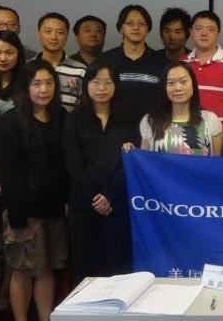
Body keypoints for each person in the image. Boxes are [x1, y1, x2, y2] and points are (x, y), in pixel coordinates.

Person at [0, 60, 69, 321]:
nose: (43, 89)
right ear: (26, 87)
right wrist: (17, 215)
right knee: (23, 270)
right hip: (24, 210)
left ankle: (45, 317)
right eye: (37, 84)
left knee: (46, 268)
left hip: (54, 209)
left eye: (49, 83)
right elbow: (8, 171)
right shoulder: (12, 120)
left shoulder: (61, 117)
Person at [64, 61, 137, 286]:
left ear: (116, 85)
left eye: (108, 82)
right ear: (87, 84)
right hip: (83, 203)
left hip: (117, 203)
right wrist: (95, 197)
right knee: (83, 267)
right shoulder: (74, 118)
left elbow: (131, 160)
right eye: (96, 82)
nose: (102, 88)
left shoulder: (128, 118)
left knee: (118, 268)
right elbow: (73, 161)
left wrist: (109, 196)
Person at [133, 61, 223, 156]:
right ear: (164, 88)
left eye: (183, 81)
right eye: (171, 83)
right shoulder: (150, 121)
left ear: (193, 83)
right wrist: (131, 152)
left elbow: (216, 163)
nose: (178, 88)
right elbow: (145, 160)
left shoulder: (210, 120)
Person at [100, 4, 168, 124]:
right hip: (114, 129)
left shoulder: (162, 62)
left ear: (148, 29)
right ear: (121, 28)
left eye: (142, 24)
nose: (136, 27)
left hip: (152, 128)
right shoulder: (106, 60)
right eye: (130, 23)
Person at [184, 10, 223, 132]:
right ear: (191, 32)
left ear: (218, 32)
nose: (204, 33)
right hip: (189, 134)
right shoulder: (182, 63)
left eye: (210, 29)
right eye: (198, 28)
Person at [57, 15, 107, 112]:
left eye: (98, 30)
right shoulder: (63, 67)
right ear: (77, 37)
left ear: (104, 36)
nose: (93, 34)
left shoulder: (113, 64)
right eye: (87, 30)